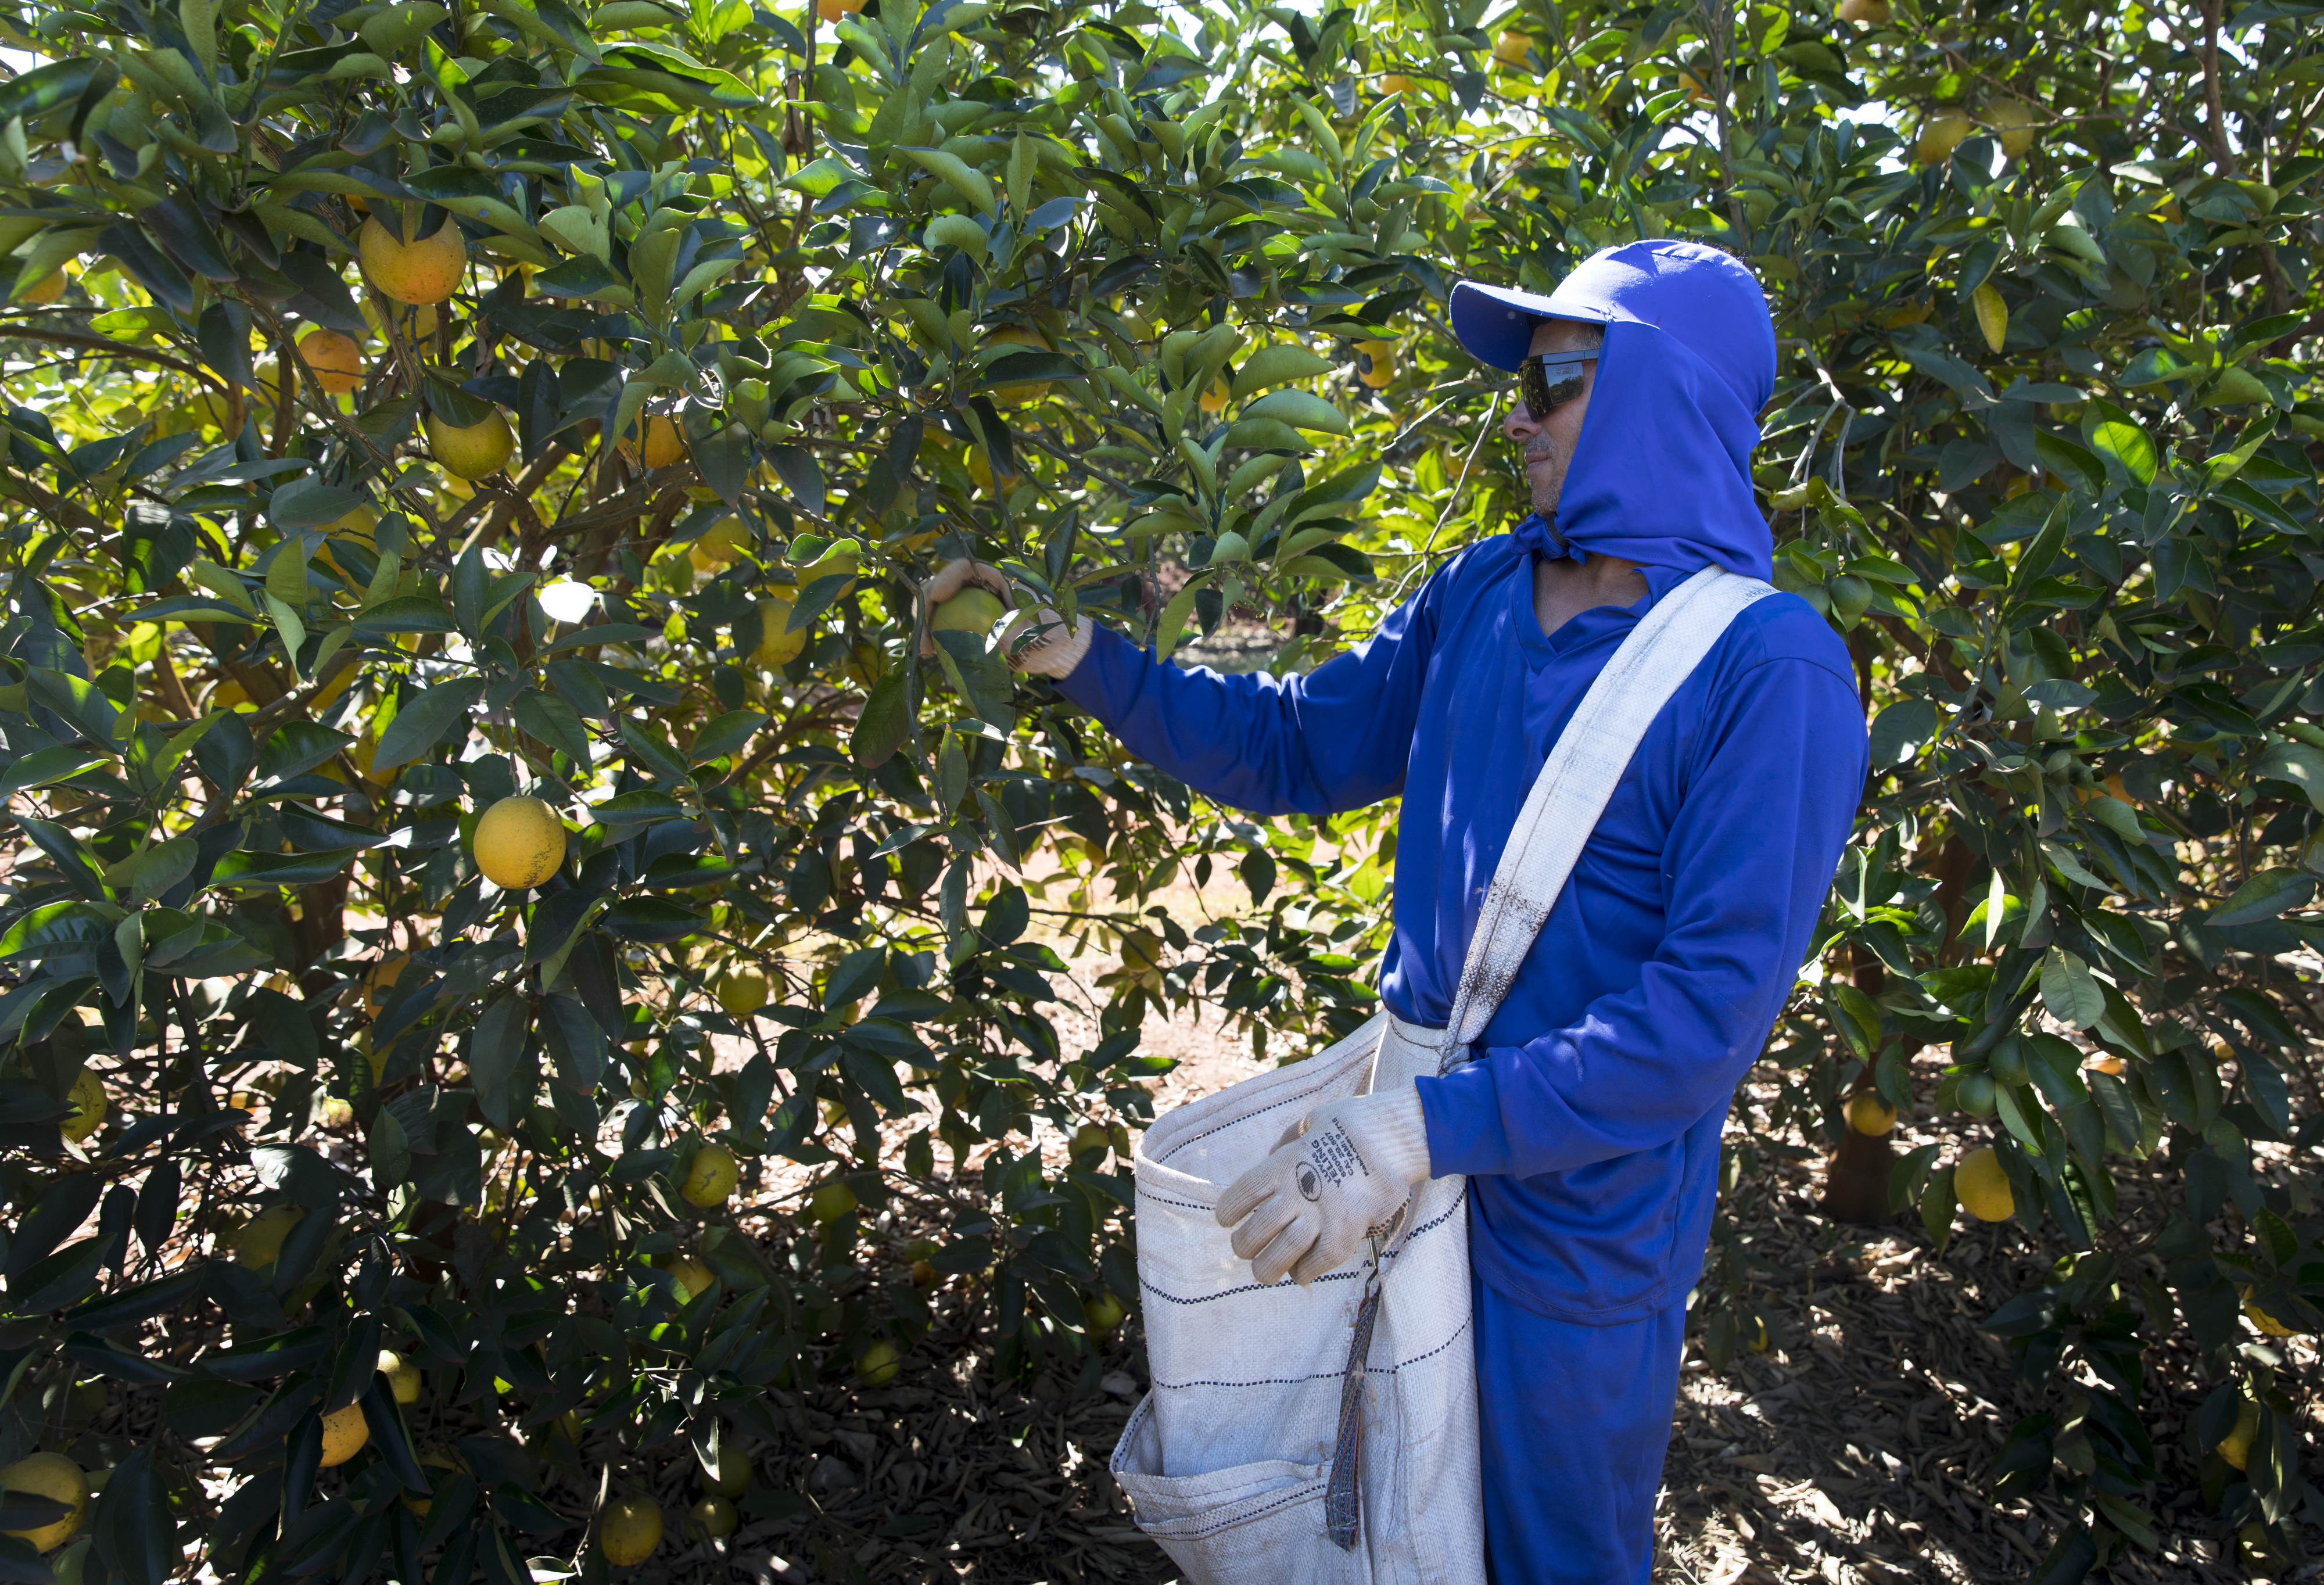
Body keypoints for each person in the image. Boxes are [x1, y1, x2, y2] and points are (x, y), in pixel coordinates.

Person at [924, 238, 1868, 1583]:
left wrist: (1419, 1128)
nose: (1516, 412)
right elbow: (1298, 746)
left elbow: (1698, 1022)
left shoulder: (1767, 672)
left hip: (1572, 1238)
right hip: (1398, 1170)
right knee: (1380, 1525)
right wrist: (1089, 657)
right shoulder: (1483, 591)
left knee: (1551, 1552)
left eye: (1553, 377)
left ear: (1663, 395)